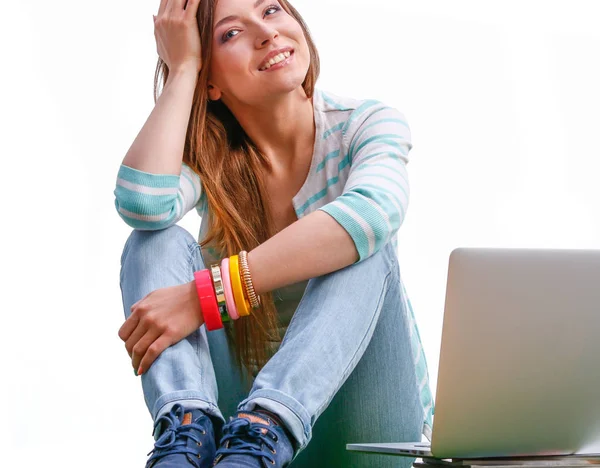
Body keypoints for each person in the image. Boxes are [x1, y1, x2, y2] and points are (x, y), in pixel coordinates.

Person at [114, 0, 434, 466]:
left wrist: (206, 296)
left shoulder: (365, 124)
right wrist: (182, 69)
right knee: (154, 238)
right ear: (211, 81)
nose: (266, 34)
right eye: (230, 34)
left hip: (365, 431)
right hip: (235, 443)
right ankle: (186, 431)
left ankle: (271, 421)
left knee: (362, 244)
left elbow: (373, 213)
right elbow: (143, 202)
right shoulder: (211, 162)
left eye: (271, 10)